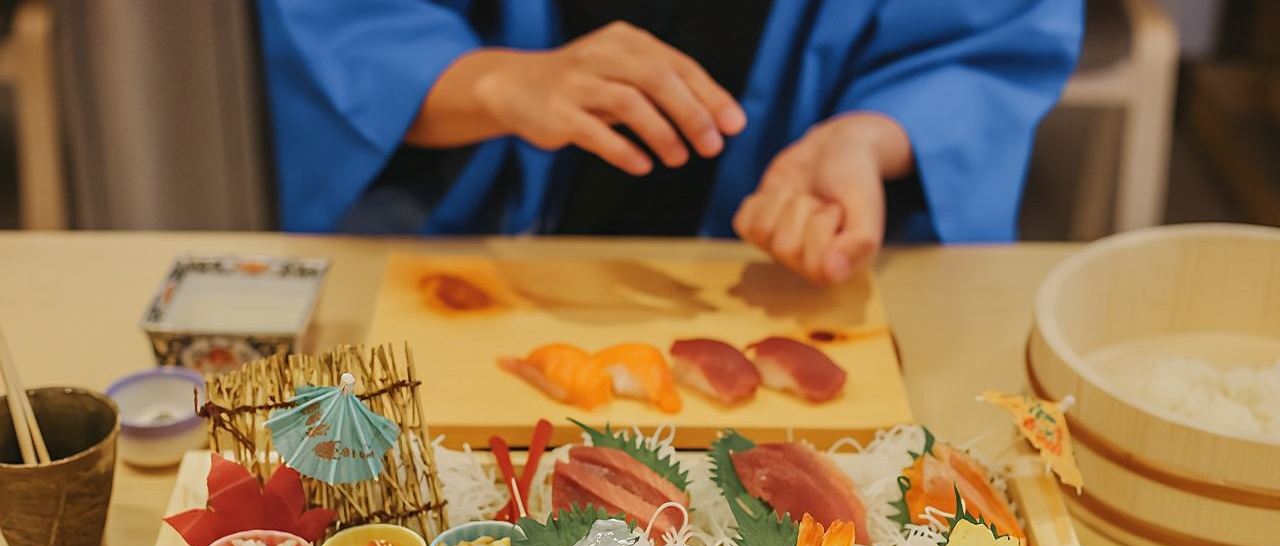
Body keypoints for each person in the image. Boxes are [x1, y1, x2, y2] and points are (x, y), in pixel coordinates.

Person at [258, 1, 1082, 284]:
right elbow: (346, 27)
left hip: (783, 270)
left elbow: (983, 38)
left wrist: (872, 135)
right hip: (487, 243)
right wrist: (497, 82)